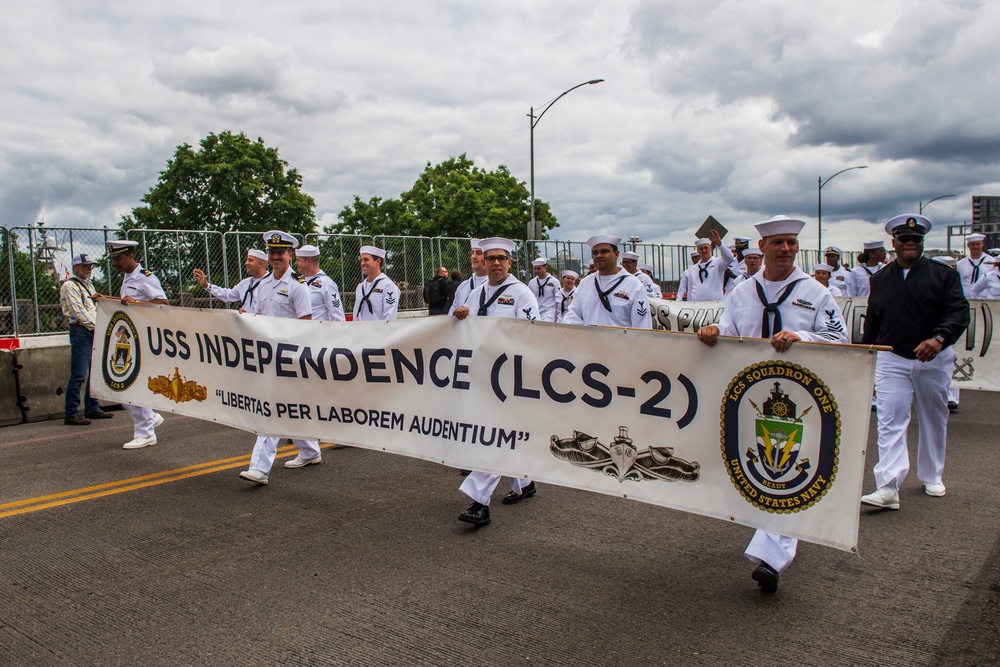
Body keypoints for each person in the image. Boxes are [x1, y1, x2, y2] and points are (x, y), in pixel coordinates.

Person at [697, 214, 849, 594]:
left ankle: (772, 555)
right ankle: (773, 543)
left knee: (785, 466)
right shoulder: (742, 293)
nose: (785, 250)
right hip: (750, 396)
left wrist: (800, 335)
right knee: (760, 464)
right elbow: (732, 332)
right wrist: (715, 331)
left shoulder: (814, 292)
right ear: (760, 248)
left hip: (800, 398)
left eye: (791, 244)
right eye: (778, 243)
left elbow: (840, 339)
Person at [860, 214, 969, 510]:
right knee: (890, 419)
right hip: (892, 357)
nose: (910, 243)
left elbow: (958, 313)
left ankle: (932, 475)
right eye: (904, 239)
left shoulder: (944, 275)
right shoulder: (880, 278)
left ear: (921, 243)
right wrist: (865, 353)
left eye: (916, 239)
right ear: (893, 243)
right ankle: (888, 486)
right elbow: (873, 319)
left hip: (934, 358)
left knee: (934, 417)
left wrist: (939, 339)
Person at [452, 237, 539, 527]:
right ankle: (524, 484)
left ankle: (480, 503)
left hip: (510, 377)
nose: (496, 263)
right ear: (484, 262)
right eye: (491, 258)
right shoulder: (474, 295)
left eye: (502, 258)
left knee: (493, 435)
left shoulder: (521, 294)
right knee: (496, 433)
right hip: (482, 374)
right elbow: (467, 333)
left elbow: (532, 335)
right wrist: (460, 317)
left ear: (510, 262)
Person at [239, 230, 322, 485]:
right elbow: (259, 318)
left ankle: (260, 468)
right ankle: (310, 450)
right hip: (268, 356)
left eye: (281, 253)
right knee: (289, 408)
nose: (276, 257)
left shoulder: (298, 286)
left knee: (271, 409)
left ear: (290, 255)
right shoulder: (263, 285)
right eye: (272, 252)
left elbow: (306, 325)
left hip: (289, 357)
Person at [94, 240, 168, 449]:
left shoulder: (146, 278)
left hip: (143, 338)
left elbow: (162, 303)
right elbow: (126, 303)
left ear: (130, 256)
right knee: (121, 384)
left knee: (130, 383)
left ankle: (145, 432)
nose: (115, 263)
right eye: (113, 259)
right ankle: (149, 419)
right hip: (128, 338)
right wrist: (105, 299)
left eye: (118, 258)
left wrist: (136, 303)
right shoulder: (127, 277)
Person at [60, 253, 114, 426]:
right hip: (82, 330)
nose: (89, 269)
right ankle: (72, 412)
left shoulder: (87, 285)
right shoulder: (70, 286)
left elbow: (91, 308)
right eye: (86, 266)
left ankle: (92, 407)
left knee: (94, 372)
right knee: (79, 373)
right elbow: (78, 312)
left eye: (90, 266)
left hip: (90, 330)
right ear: (76, 268)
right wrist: (97, 326)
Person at [563, 235, 652, 328]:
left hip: (620, 341)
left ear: (616, 254)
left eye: (604, 252)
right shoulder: (586, 283)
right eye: (595, 253)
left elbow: (642, 324)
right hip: (588, 341)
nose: (599, 256)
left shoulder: (633, 285)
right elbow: (573, 316)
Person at [193, 248, 270, 311]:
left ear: (260, 264)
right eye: (247, 260)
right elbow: (227, 295)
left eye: (250, 260)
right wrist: (207, 285)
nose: (246, 263)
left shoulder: (271, 283)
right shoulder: (245, 283)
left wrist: (253, 316)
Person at [674, 230, 735, 302]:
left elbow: (730, 258)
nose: (704, 250)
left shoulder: (718, 263)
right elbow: (690, 290)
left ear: (711, 248)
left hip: (715, 304)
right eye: (701, 248)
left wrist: (719, 243)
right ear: (698, 250)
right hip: (696, 305)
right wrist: (689, 304)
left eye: (706, 248)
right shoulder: (693, 269)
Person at [294, 244, 346, 321]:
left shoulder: (327, 284)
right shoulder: (297, 282)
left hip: (318, 332)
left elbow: (337, 316)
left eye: (298, 260)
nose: (295, 263)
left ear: (308, 261)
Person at [353, 245, 399, 321]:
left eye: (366, 260)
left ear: (378, 261)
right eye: (361, 260)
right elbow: (356, 315)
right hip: (361, 331)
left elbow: (389, 317)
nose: (362, 263)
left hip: (379, 332)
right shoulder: (360, 287)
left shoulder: (388, 286)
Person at [449, 240, 487, 316]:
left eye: (479, 253)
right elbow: (451, 315)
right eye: (472, 252)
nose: (473, 256)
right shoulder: (463, 286)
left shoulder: (495, 285)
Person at [527, 257, 558, 322]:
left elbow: (557, 299)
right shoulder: (532, 282)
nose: (536, 271)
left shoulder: (554, 281)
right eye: (535, 269)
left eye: (539, 268)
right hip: (535, 311)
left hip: (548, 311)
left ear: (545, 267)